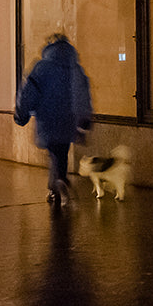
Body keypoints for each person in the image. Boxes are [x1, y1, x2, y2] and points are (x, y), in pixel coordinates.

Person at [14, 34, 93, 205]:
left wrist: (21, 114)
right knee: (61, 153)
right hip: (69, 121)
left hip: (48, 120)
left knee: (54, 153)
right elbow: (83, 95)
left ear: (50, 47)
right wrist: (85, 118)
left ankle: (60, 182)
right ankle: (56, 187)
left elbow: (29, 93)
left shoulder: (42, 67)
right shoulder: (76, 68)